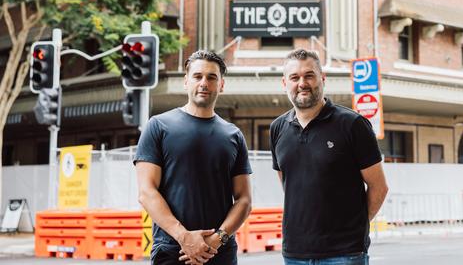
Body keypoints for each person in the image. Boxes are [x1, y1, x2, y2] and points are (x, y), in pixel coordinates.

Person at [270, 49, 389, 265]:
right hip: (295, 253)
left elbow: (379, 187)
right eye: (294, 77)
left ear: (322, 79)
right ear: (284, 83)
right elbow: (288, 183)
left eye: (309, 75)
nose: (302, 83)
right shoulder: (277, 128)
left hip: (344, 254)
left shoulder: (353, 125)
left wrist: (355, 228)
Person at [134, 50, 253, 265]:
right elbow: (146, 192)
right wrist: (184, 236)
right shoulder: (158, 126)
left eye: (211, 77)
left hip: (220, 253)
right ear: (186, 81)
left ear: (221, 85)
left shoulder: (233, 135)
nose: (204, 83)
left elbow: (244, 199)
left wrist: (218, 239)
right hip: (172, 250)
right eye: (197, 76)